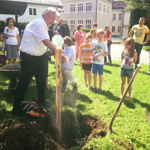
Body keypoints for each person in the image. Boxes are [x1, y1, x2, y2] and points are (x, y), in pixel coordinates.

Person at [12, 7, 66, 117]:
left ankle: (42, 100)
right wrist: (58, 52)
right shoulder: (37, 24)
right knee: (24, 82)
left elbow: (41, 45)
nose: (53, 21)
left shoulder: (44, 27)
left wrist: (51, 53)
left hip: (40, 57)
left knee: (41, 81)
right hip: (28, 57)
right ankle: (16, 108)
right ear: (45, 14)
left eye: (55, 19)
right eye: (52, 18)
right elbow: (46, 42)